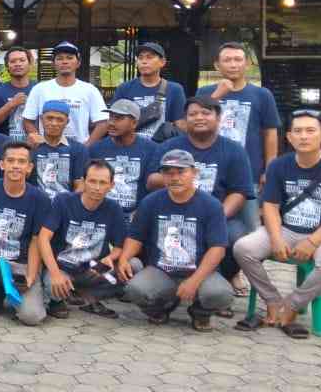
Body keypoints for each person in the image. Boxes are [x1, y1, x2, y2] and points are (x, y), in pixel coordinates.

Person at [234, 109, 321, 338]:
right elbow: (270, 206)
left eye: (310, 131)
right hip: (286, 229)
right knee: (243, 248)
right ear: (289, 137)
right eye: (297, 131)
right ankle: (272, 301)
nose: (304, 136)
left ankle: (291, 305)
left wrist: (312, 241)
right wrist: (276, 238)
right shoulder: (279, 166)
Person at [117, 149, 233, 331]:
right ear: (162, 176)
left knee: (220, 294)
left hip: (200, 271)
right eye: (168, 173)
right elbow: (135, 236)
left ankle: (200, 313)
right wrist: (124, 258)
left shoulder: (212, 206)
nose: (175, 178)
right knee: (135, 289)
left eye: (181, 172)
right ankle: (160, 308)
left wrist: (194, 281)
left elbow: (218, 249)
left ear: (194, 173)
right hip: (161, 270)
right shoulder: (150, 202)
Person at [153, 97, 255, 291]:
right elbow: (151, 180)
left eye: (206, 113)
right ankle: (162, 282)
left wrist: (218, 216)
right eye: (193, 114)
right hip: (172, 213)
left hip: (219, 214)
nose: (199, 117)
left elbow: (240, 192)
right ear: (185, 119)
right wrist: (176, 177)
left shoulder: (234, 150)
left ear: (218, 118)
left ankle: (221, 279)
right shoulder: (169, 146)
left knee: (238, 238)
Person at [0, 141, 53, 324]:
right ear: (2, 164)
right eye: (11, 160)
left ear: (29, 167)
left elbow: (36, 241)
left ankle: (27, 297)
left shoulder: (40, 198)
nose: (15, 165)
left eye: (21, 161)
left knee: (32, 317)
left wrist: (31, 274)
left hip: (22, 263)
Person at [36, 160, 128, 319]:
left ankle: (90, 298)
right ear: (84, 181)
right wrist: (55, 273)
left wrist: (110, 257)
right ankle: (57, 301)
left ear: (111, 185)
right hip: (63, 267)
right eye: (92, 181)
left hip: (92, 269)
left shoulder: (114, 209)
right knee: (53, 285)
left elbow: (120, 246)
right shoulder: (63, 201)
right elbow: (43, 237)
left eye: (103, 183)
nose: (97, 187)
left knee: (132, 267)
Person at [196, 41, 280, 187]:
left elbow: (270, 134)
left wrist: (269, 169)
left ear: (247, 64)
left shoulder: (262, 95)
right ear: (217, 65)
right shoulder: (204, 93)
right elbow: (194, 127)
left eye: (238, 59)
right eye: (227, 60)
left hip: (249, 172)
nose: (233, 65)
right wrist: (216, 96)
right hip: (209, 171)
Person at [22, 41, 108, 146]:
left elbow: (103, 122)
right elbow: (27, 120)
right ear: (53, 63)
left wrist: (86, 146)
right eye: (60, 58)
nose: (65, 62)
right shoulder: (40, 89)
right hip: (46, 149)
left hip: (78, 148)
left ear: (78, 63)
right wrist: (39, 143)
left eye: (69, 58)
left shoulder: (90, 90)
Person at [88, 99, 160, 216]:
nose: (111, 123)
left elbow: (152, 189)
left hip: (137, 215)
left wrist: (141, 213)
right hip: (102, 214)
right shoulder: (96, 149)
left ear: (134, 123)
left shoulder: (152, 149)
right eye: (110, 117)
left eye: (118, 118)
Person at [112, 42, 186, 139]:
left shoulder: (175, 89)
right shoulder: (124, 88)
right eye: (140, 58)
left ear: (162, 62)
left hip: (161, 145)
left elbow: (180, 124)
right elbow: (114, 120)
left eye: (149, 57)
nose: (144, 61)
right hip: (130, 144)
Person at [31, 100, 88, 197]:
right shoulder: (31, 146)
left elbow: (80, 185)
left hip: (66, 203)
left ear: (67, 122)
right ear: (41, 119)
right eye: (49, 118)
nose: (54, 123)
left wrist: (69, 203)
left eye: (60, 120)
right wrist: (29, 149)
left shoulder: (78, 149)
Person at [0, 47, 34, 141]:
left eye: (22, 60)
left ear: (30, 64)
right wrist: (11, 104)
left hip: (33, 145)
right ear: (7, 66)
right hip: (5, 145)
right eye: (13, 61)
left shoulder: (38, 89)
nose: (18, 64)